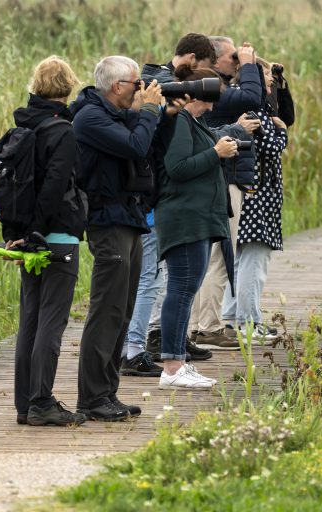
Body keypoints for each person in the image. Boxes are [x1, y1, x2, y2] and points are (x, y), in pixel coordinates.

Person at [71, 56, 163, 421]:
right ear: (117, 87)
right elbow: (136, 146)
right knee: (106, 310)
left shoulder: (113, 114)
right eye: (136, 84)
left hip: (128, 217)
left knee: (123, 310)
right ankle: (91, 398)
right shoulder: (90, 118)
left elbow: (145, 143)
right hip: (106, 221)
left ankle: (107, 393)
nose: (141, 89)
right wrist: (150, 112)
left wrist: (155, 114)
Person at [120, 33, 218, 375]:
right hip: (150, 203)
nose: (203, 91)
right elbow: (172, 164)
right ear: (190, 59)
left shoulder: (168, 97)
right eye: (203, 74)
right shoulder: (159, 86)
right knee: (151, 279)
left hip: (152, 201)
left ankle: (145, 346)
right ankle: (135, 350)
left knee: (157, 279)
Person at [154, 65, 247, 389]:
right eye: (208, 101)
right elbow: (176, 168)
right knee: (180, 290)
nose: (211, 107)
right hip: (183, 217)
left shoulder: (192, 121)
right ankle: (171, 366)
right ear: (193, 96)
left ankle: (178, 360)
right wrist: (215, 152)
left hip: (197, 217)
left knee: (186, 288)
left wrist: (218, 148)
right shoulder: (179, 122)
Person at [8, 56, 86, 427]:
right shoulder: (63, 131)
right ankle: (42, 402)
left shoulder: (24, 127)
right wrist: (38, 233)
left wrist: (21, 236)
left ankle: (25, 404)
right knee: (52, 324)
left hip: (25, 238)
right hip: (56, 238)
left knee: (30, 321)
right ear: (68, 87)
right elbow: (55, 188)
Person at [185, 36, 264, 349]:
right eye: (233, 56)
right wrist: (248, 66)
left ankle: (199, 324)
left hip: (216, 180)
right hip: (223, 180)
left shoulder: (218, 92)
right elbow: (253, 98)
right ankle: (209, 325)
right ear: (215, 60)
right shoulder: (220, 94)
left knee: (207, 257)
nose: (238, 60)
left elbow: (263, 100)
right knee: (219, 256)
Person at [221, 57, 288, 339]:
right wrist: (282, 132)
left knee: (243, 259)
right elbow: (270, 148)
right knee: (253, 260)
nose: (271, 83)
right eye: (267, 79)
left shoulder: (251, 109)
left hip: (254, 193)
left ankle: (232, 317)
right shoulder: (254, 113)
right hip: (257, 195)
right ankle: (248, 322)